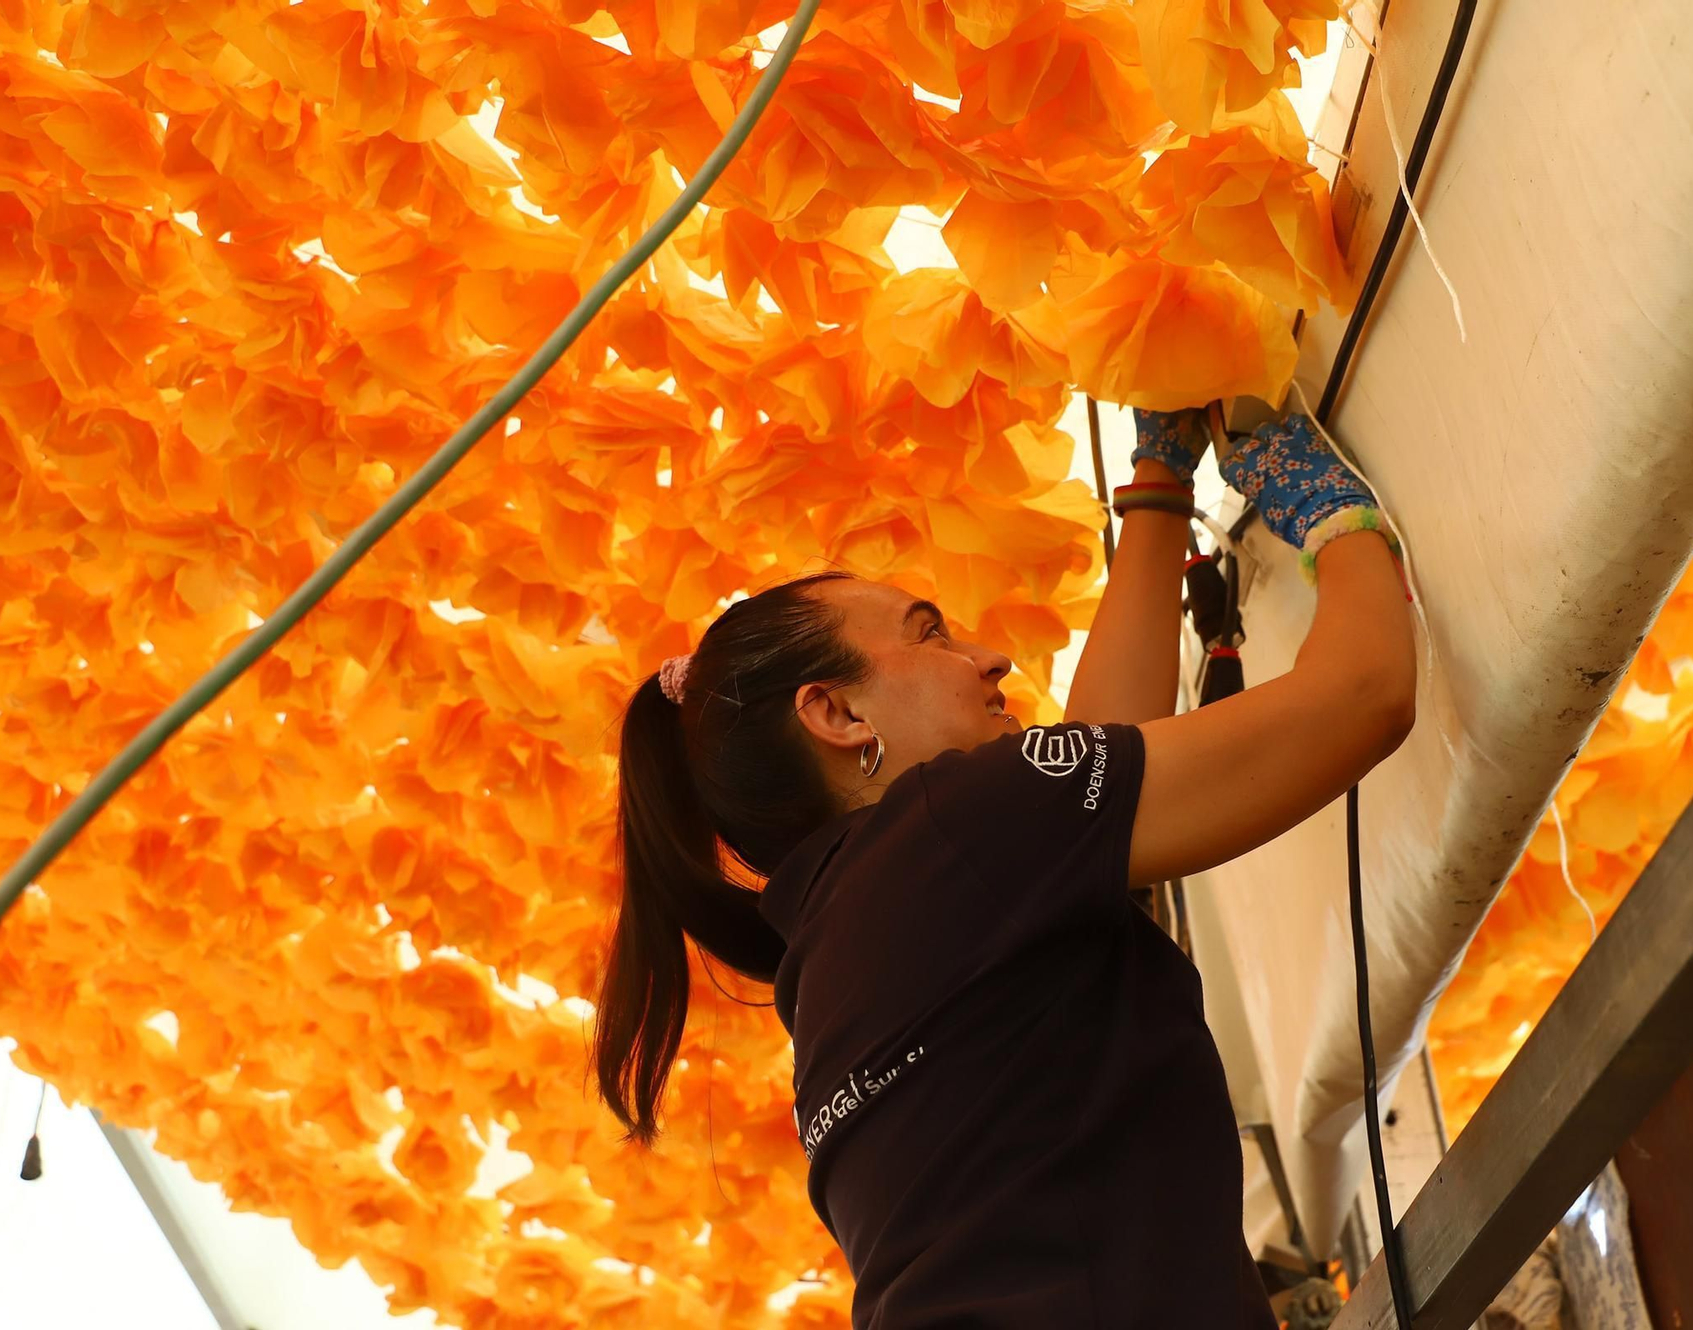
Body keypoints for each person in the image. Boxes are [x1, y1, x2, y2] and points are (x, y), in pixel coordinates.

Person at [593, 403, 1416, 1328]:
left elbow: (1105, 756)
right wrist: (1334, 517)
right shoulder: (959, 828)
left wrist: (1156, 486)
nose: (991, 658)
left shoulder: (835, 963)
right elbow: (1366, 692)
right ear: (836, 716)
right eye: (929, 632)